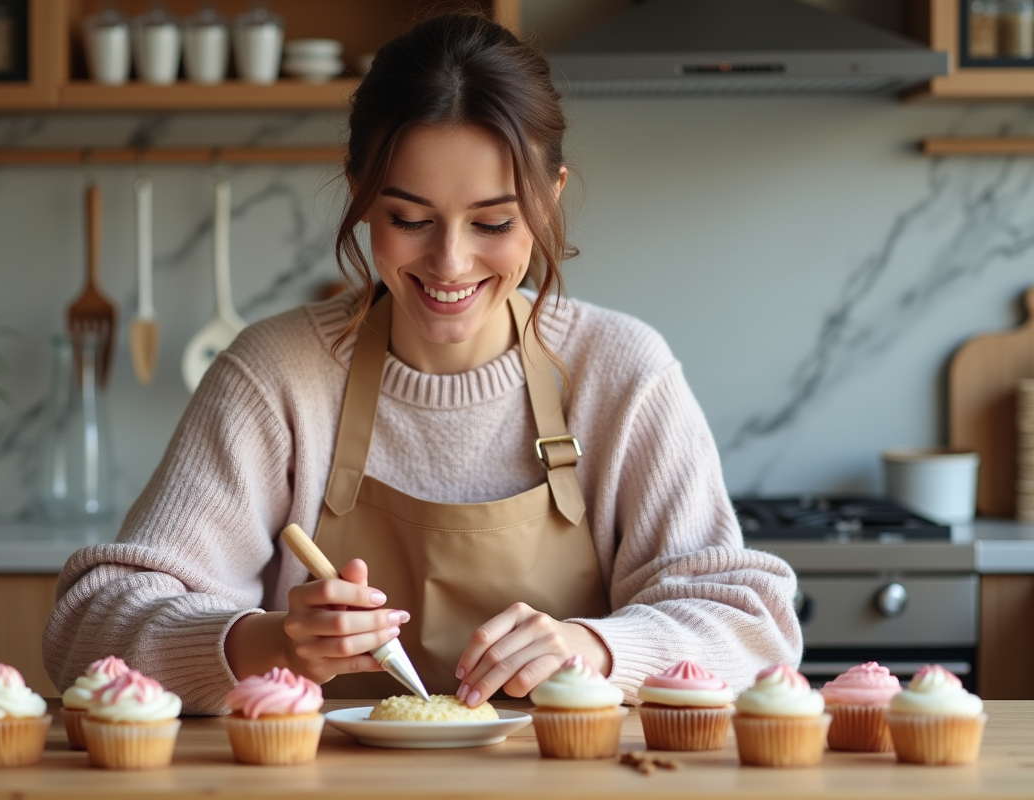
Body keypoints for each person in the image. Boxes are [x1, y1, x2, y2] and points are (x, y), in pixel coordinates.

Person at [43, 13, 801, 716]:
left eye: (494, 221)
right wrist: (269, 643)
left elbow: (756, 631)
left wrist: (597, 647)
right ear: (362, 197)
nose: (450, 262)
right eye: (409, 219)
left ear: (550, 198)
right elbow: (84, 627)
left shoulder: (620, 371)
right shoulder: (276, 374)